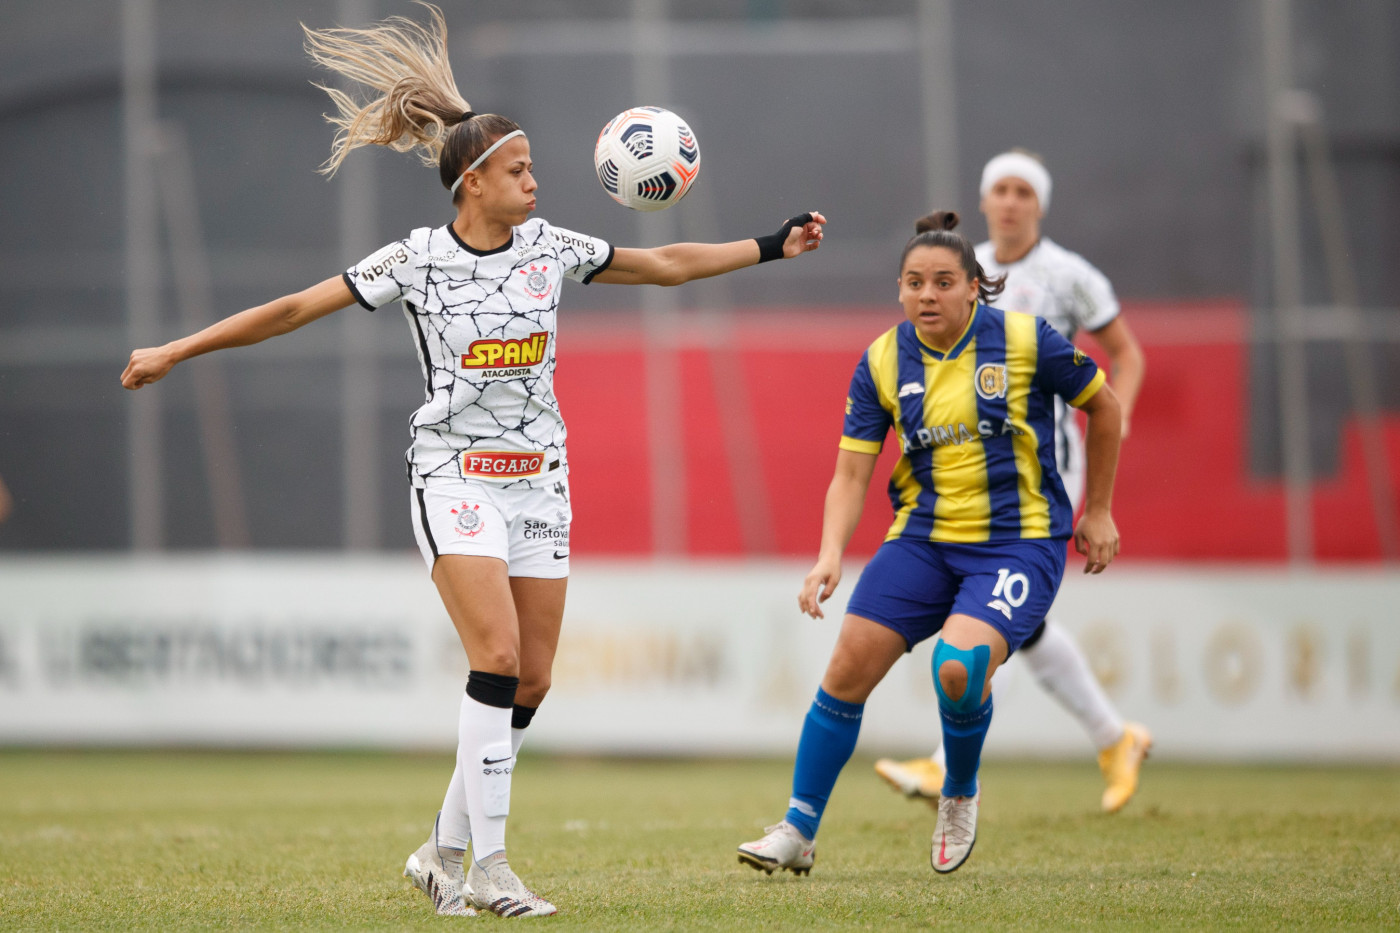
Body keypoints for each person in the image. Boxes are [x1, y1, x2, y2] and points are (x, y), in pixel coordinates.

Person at [120, 5, 825, 918]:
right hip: (452, 475)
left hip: (540, 478)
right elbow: (294, 308)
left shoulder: (550, 250)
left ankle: (440, 850)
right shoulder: (414, 261)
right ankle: (490, 867)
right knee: (492, 654)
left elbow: (669, 264)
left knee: (529, 680)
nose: (537, 182)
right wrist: (178, 348)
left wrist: (773, 244)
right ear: (472, 181)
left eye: (532, 167)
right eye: (520, 170)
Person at [736, 211, 1121, 877]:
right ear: (899, 290)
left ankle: (959, 792)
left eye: (944, 282)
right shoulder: (883, 360)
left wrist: (1102, 510)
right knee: (847, 667)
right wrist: (830, 552)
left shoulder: (1028, 341)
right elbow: (852, 471)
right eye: (915, 282)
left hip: (1018, 542)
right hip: (922, 539)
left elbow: (1106, 407)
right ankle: (798, 829)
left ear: (976, 287)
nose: (928, 295)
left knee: (958, 667)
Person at [874, 150, 1151, 814]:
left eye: (1023, 190)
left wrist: (1119, 418)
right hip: (966, 471)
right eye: (999, 188)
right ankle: (1116, 739)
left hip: (1046, 464)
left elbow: (1127, 356)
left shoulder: (1068, 275)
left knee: (988, 604)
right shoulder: (966, 272)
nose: (1009, 200)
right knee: (1010, 621)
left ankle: (949, 764)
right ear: (985, 199)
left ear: (1039, 204)